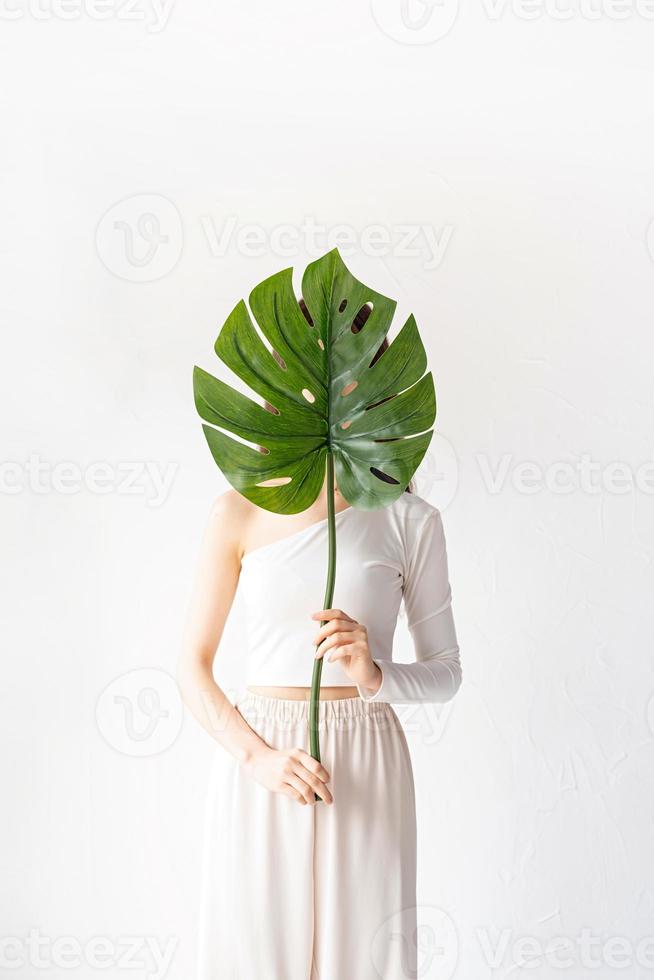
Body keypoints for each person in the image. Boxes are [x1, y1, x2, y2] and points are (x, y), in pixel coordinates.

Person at [177, 313, 463, 979]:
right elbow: (192, 664)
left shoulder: (410, 520)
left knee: (364, 958)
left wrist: (374, 673)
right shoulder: (238, 511)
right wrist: (256, 759)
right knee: (253, 951)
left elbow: (447, 672)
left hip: (366, 754)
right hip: (264, 756)